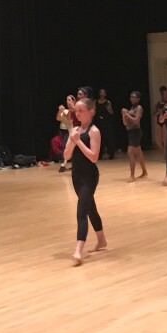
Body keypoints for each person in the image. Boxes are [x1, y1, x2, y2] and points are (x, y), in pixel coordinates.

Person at [63, 98, 107, 265]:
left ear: (91, 112)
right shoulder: (74, 130)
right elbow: (66, 156)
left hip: (90, 176)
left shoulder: (94, 131)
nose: (77, 113)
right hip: (76, 176)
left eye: (81, 110)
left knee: (81, 211)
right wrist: (72, 142)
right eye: (77, 110)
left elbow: (94, 157)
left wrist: (78, 141)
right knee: (90, 208)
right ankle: (102, 240)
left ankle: (78, 251)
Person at [121, 91, 148, 181]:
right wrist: (124, 115)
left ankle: (132, 176)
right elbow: (125, 123)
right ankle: (144, 172)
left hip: (136, 132)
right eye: (131, 97)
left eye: (134, 97)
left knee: (131, 153)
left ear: (138, 99)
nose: (132, 98)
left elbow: (136, 121)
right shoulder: (131, 108)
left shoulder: (139, 108)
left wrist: (127, 114)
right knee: (139, 154)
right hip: (130, 132)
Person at [56, 95, 75, 172]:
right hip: (71, 132)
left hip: (77, 131)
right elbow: (58, 118)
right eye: (67, 100)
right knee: (68, 148)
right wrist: (60, 111)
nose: (67, 101)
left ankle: (64, 164)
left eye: (69, 100)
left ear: (74, 101)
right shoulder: (66, 111)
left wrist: (72, 109)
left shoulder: (74, 110)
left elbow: (70, 118)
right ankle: (64, 164)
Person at [95, 88, 115, 159]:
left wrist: (109, 108)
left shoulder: (107, 102)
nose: (102, 94)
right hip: (98, 122)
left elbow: (112, 113)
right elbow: (94, 112)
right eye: (101, 92)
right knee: (100, 138)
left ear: (105, 94)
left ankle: (111, 154)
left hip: (107, 122)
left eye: (103, 92)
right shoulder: (96, 102)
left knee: (109, 138)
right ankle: (99, 154)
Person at [154, 85, 167, 152]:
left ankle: (166, 154)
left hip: (165, 121)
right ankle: (164, 151)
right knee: (158, 140)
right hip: (158, 121)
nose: (165, 95)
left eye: (166, 94)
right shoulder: (158, 103)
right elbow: (154, 111)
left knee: (165, 139)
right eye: (164, 94)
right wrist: (156, 112)